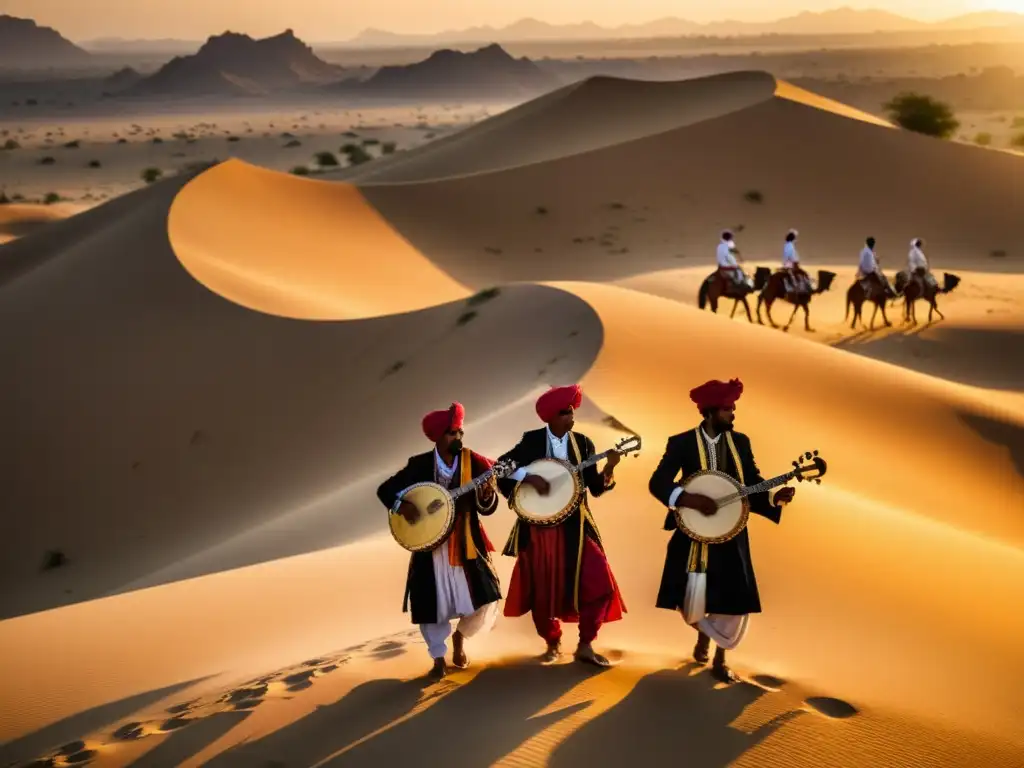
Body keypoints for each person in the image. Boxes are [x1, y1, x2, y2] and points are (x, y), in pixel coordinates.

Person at [647, 379, 795, 684]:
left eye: (733, 408)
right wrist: (687, 499)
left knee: (733, 598)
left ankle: (720, 658)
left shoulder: (741, 442)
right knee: (688, 597)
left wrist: (773, 498)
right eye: (728, 409)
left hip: (732, 534)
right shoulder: (682, 443)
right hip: (692, 534)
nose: (733, 414)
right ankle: (703, 632)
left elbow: (752, 481)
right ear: (710, 411)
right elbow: (658, 482)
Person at [497, 384, 626, 668]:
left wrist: (609, 469)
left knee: (599, 581)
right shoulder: (531, 441)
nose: (572, 417)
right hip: (539, 529)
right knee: (542, 591)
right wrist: (528, 477)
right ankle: (552, 642)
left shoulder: (584, 444)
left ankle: (585, 645)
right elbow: (500, 468)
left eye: (572, 412)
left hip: (578, 527)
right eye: (566, 413)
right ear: (551, 417)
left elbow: (595, 488)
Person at [376, 402, 502, 679]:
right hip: (429, 548)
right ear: (437, 437)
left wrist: (485, 494)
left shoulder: (475, 462)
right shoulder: (419, 465)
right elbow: (384, 490)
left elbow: (489, 506)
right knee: (433, 606)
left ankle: (460, 638)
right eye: (451, 433)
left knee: (485, 598)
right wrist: (403, 506)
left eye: (459, 432)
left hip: (466, 543)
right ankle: (437, 658)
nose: (457, 438)